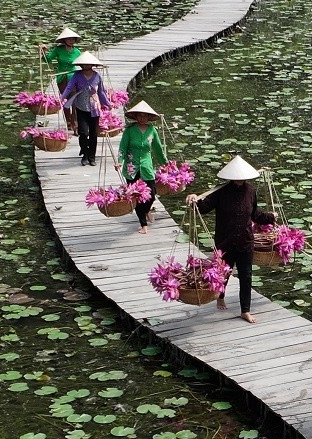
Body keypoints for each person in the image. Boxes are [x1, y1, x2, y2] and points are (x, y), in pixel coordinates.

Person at [185, 156, 275, 323]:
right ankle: (220, 296)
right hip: (225, 240)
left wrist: (270, 217)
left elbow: (255, 214)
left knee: (246, 276)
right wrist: (194, 200)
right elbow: (204, 208)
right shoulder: (220, 192)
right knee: (223, 273)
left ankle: (245, 310)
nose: (240, 180)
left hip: (245, 241)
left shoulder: (250, 191)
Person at [116, 102, 167, 234]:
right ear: (136, 116)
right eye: (140, 116)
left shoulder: (152, 130)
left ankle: (146, 210)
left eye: (145, 116)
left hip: (146, 166)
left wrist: (165, 163)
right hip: (132, 168)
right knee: (137, 197)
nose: (142, 118)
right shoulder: (129, 131)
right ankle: (143, 225)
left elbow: (158, 149)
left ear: (148, 117)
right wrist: (119, 161)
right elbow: (123, 147)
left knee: (152, 195)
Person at [60, 52, 107, 166]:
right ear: (81, 65)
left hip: (94, 108)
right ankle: (84, 154)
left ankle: (92, 156)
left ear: (92, 64)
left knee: (93, 133)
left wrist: (107, 103)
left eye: (88, 64)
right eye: (84, 64)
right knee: (83, 132)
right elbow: (69, 87)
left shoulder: (97, 76)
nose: (86, 66)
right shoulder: (77, 75)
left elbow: (101, 92)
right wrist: (62, 98)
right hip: (81, 107)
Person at [43, 27, 82, 97]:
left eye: (73, 39)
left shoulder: (77, 52)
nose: (71, 41)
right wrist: (43, 52)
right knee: (64, 96)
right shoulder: (58, 49)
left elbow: (83, 64)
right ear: (64, 40)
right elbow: (48, 59)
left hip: (73, 76)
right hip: (61, 76)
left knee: (74, 96)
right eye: (69, 39)